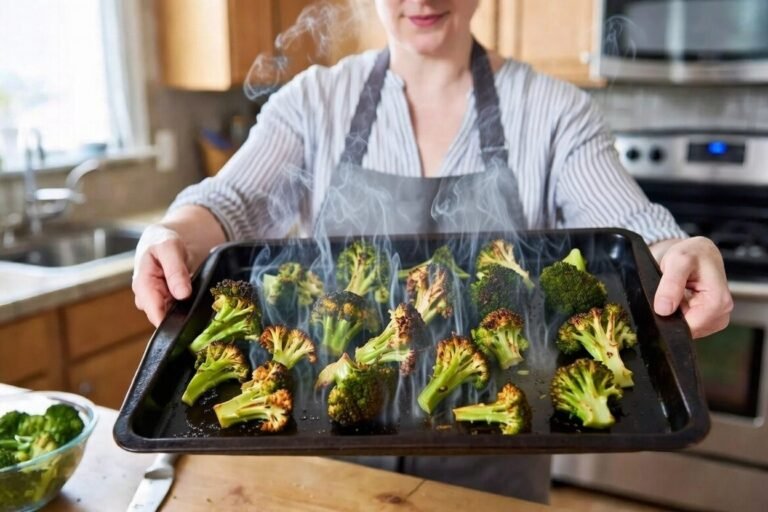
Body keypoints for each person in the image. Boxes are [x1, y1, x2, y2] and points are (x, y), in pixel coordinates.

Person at [132, 0, 733, 503]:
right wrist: (176, 236)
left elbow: (629, 225)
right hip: (327, 455)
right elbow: (231, 199)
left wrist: (677, 250)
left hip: (496, 462)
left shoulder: (553, 111)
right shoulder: (313, 103)